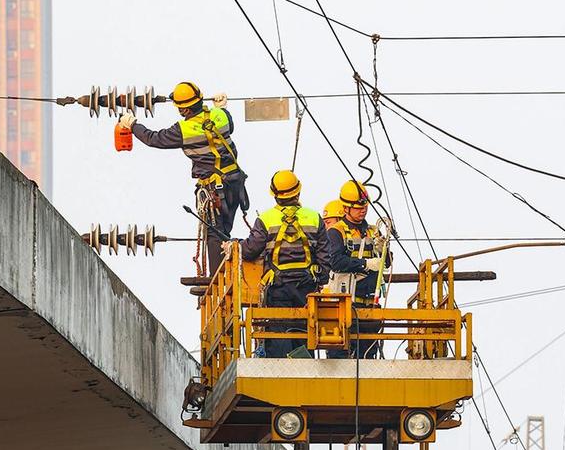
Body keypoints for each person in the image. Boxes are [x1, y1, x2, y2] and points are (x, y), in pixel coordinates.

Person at [119, 82, 248, 279]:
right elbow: (229, 123)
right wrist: (221, 107)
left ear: (185, 108)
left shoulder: (183, 129)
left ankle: (218, 280)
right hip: (235, 184)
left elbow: (154, 139)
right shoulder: (219, 116)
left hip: (213, 189)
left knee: (214, 234)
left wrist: (133, 125)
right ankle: (225, 272)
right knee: (224, 233)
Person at [238, 170, 332, 358]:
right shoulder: (314, 218)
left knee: (278, 334)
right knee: (304, 334)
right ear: (298, 192)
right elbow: (325, 255)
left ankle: (280, 372)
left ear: (274, 194)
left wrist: (237, 245)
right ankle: (304, 372)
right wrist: (320, 279)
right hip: (306, 287)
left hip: (278, 288)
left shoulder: (265, 219)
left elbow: (250, 250)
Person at [325, 180, 389, 358]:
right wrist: (365, 264)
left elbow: (387, 262)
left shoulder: (372, 231)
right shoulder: (336, 231)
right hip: (346, 305)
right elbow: (336, 261)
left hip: (370, 305)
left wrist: (384, 249)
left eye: (365, 206)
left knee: (368, 356)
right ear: (345, 208)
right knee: (341, 356)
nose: (363, 210)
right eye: (358, 207)